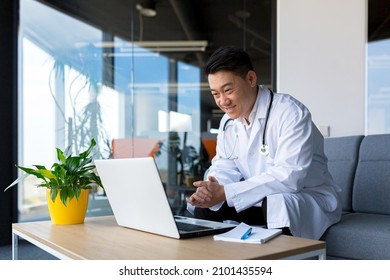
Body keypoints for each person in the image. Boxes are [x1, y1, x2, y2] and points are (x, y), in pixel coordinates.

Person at [186, 46, 342, 240]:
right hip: (258, 198)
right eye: (216, 94)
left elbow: (290, 177)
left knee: (278, 205)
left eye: (228, 90)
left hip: (306, 196)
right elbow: (224, 166)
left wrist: (226, 192)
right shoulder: (228, 122)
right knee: (206, 208)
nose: (223, 101)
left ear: (251, 79)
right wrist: (211, 189)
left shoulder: (290, 113)